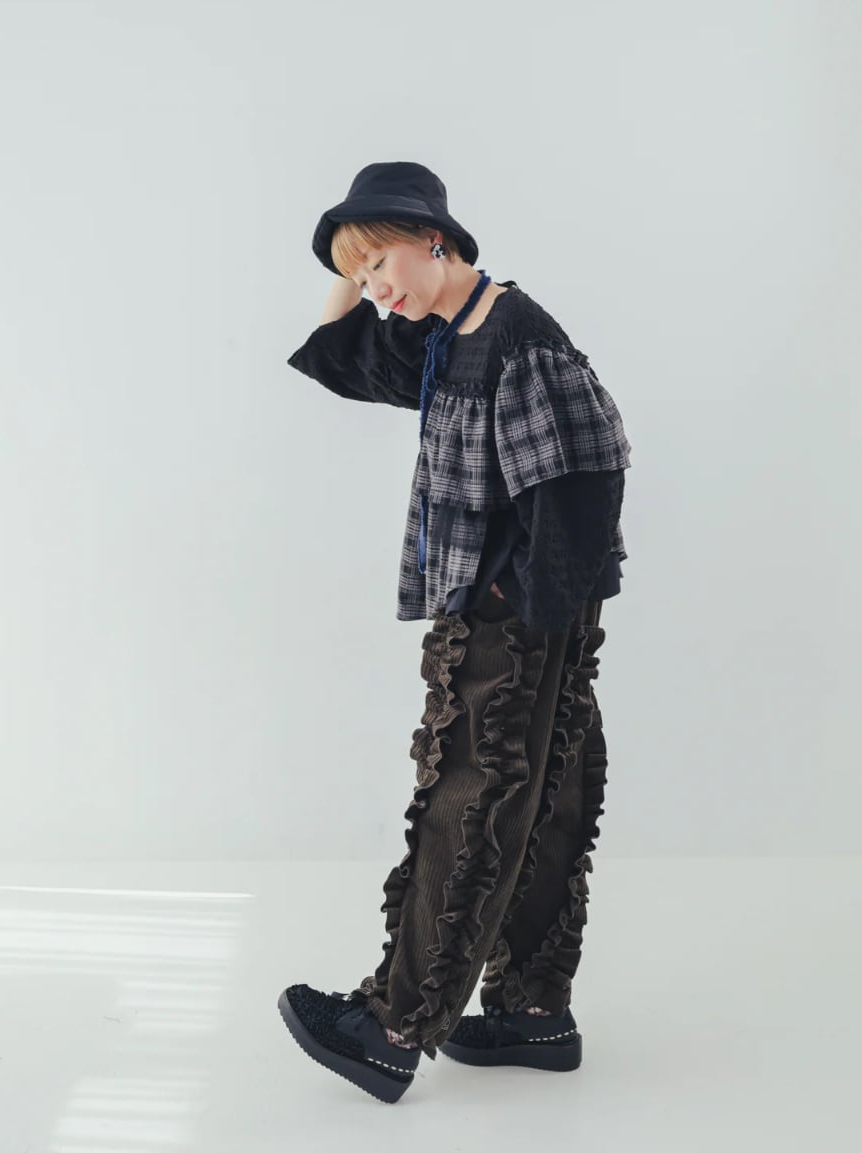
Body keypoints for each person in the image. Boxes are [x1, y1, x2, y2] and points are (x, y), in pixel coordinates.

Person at [277, 162, 632, 1103]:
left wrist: (525, 607)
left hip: (516, 609)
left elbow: (595, 463)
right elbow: (337, 359)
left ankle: (393, 1027)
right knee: (546, 792)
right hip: (521, 605)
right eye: (358, 275)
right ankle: (533, 1009)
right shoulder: (446, 336)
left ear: (434, 237)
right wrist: (350, 256)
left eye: (380, 262)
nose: (372, 289)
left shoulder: (516, 332)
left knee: (468, 797)